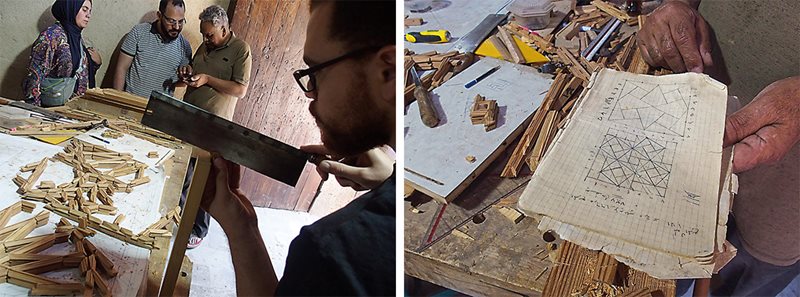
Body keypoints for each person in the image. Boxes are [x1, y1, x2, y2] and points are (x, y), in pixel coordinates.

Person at [199, 0, 396, 295]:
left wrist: (240, 230)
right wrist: (388, 181)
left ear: (388, 73)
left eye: (316, 71)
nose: (310, 94)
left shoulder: (330, 253)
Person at [639, 1, 800, 295]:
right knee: (674, 251)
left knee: (747, 276)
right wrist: (677, 8)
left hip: (787, 193)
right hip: (696, 110)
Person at [176, 4, 253, 249]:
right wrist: (188, 71)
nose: (205, 39)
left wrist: (208, 79)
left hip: (214, 125)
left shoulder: (241, 49)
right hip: (190, 119)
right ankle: (177, 218)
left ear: (224, 28)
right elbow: (196, 70)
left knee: (204, 180)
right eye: (203, 34)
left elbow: (240, 90)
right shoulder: (206, 45)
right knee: (184, 175)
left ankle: (198, 229)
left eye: (209, 35)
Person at [22, 0, 102, 107]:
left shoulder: (76, 39)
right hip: (51, 109)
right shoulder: (50, 36)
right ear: (70, 9)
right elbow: (34, 78)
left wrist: (95, 63)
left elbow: (79, 73)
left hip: (71, 109)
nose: (88, 15)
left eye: (90, 11)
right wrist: (35, 111)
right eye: (84, 9)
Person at [113, 0, 191, 98]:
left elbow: (181, 82)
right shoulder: (139, 32)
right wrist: (117, 99)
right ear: (159, 15)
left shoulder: (185, 46)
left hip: (158, 109)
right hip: (131, 103)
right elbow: (121, 68)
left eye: (180, 21)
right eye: (171, 21)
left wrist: (186, 77)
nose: (176, 27)